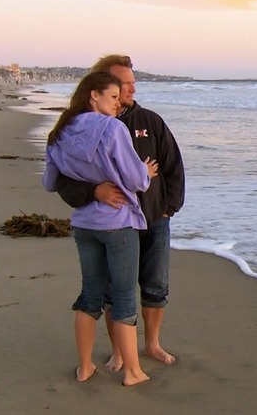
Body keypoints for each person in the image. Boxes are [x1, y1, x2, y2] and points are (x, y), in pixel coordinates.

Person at [55, 55, 185, 367]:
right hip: (113, 224)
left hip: (153, 219)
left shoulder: (150, 122)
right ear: (100, 87)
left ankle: (151, 344)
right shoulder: (86, 128)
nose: (130, 90)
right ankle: (119, 352)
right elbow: (63, 179)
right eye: (123, 84)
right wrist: (94, 191)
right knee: (115, 292)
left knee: (155, 287)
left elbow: (173, 167)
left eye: (132, 84)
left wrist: (169, 209)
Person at [42, 71, 159, 386]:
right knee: (122, 297)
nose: (117, 104)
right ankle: (133, 372)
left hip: (84, 224)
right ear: (93, 95)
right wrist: (145, 172)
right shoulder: (112, 128)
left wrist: (89, 183)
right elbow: (135, 180)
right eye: (112, 97)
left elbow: (49, 183)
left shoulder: (59, 133)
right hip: (117, 222)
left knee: (90, 294)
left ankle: (85, 367)